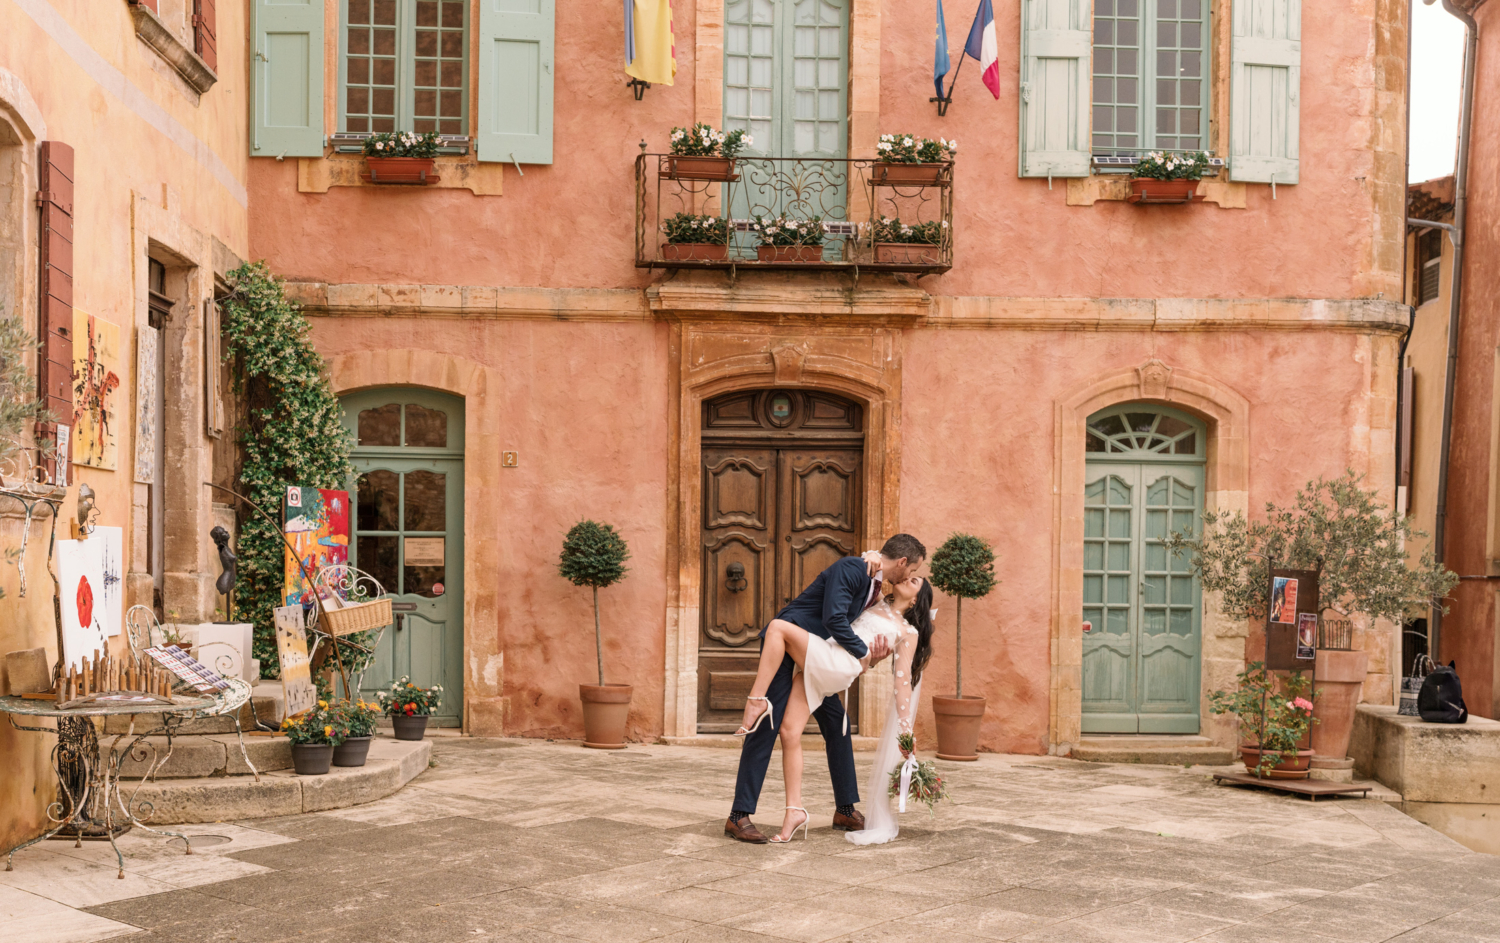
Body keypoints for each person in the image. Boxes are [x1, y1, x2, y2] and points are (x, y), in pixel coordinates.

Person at [724, 534, 926, 845]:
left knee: (837, 727)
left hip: (824, 656)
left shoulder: (876, 588)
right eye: (912, 570)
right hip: (794, 647)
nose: (910, 576)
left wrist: (870, 659)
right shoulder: (856, 569)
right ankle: (739, 816)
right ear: (902, 563)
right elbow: (835, 619)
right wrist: (864, 653)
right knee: (769, 726)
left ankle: (845, 808)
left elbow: (867, 630)